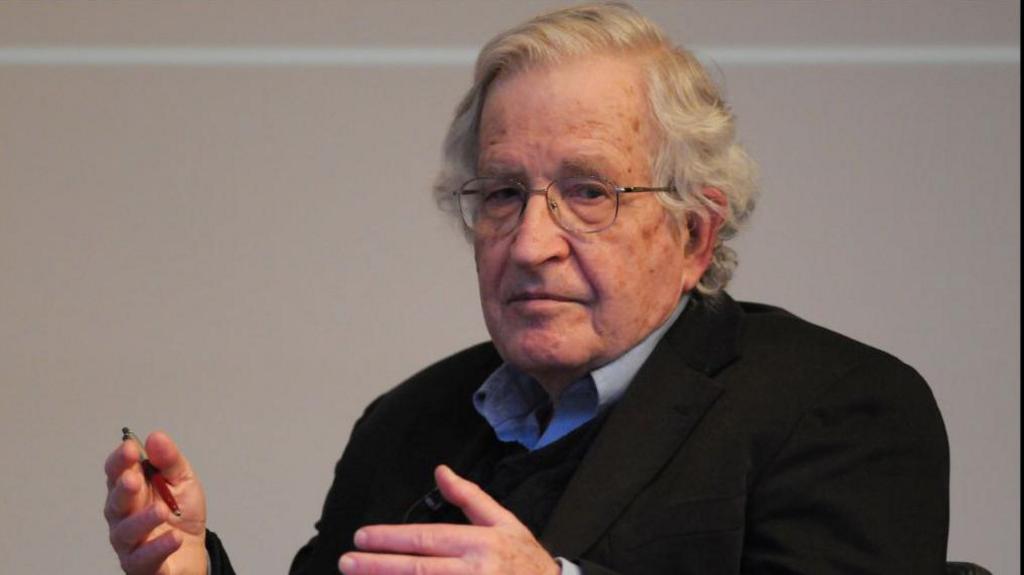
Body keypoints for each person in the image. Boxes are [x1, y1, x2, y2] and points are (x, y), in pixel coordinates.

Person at [103, 3, 950, 574]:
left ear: (694, 233)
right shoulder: (407, 423)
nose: (532, 243)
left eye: (589, 192)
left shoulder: (840, 407)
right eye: (504, 193)